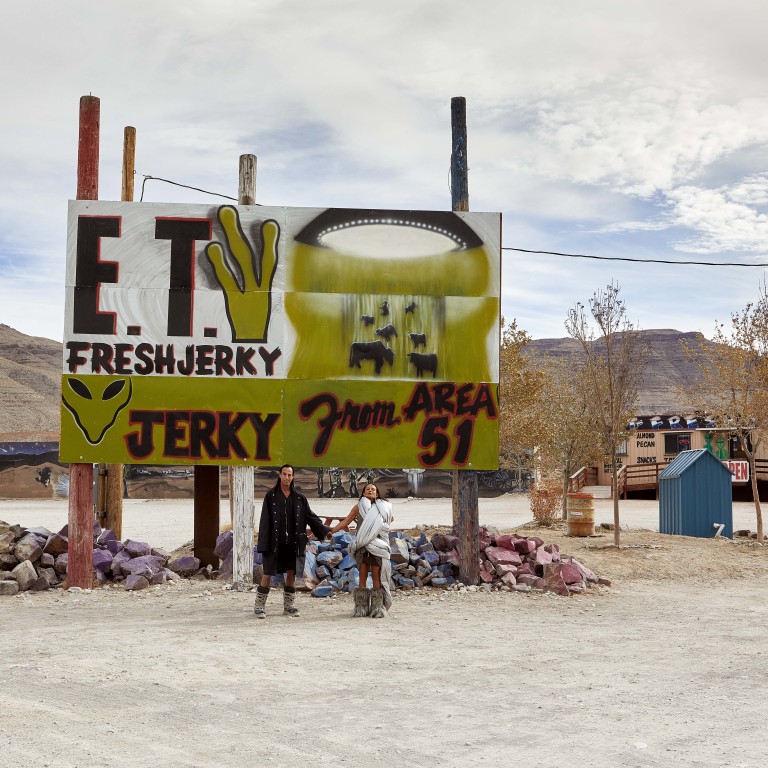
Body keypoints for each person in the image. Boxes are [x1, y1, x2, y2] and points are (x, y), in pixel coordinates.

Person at [254, 464, 330, 619]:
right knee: (267, 573)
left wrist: (324, 530)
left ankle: (289, 607)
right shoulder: (271, 496)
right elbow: (264, 521)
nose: (287, 477)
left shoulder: (299, 498)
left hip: (294, 543)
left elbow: (310, 517)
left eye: (289, 475)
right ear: (279, 475)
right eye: (284, 474)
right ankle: (259, 606)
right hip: (274, 542)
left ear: (293, 477)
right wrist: (263, 543)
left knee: (291, 573)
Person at [328, 482, 393, 618]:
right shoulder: (358, 507)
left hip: (377, 545)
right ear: (363, 493)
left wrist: (375, 525)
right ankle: (361, 607)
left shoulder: (383, 507)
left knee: (376, 574)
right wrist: (331, 531)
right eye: (367, 489)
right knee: (362, 575)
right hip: (362, 545)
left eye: (373, 489)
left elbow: (389, 520)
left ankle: (377, 607)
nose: (370, 490)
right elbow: (346, 521)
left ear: (377, 493)